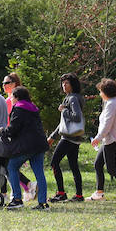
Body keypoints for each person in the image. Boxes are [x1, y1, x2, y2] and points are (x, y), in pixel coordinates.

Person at [0, 85, 48, 210]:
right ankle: (43, 203)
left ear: (17, 97)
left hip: (27, 146)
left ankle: (17, 199)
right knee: (39, 173)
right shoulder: (33, 108)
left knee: (11, 167)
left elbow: (13, 129)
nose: (11, 99)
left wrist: (2, 131)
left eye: (12, 97)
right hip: (39, 144)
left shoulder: (19, 108)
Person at [48, 73, 84, 202]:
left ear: (73, 84)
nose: (64, 85)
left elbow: (77, 116)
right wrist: (53, 136)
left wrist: (64, 110)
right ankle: (79, 195)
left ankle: (61, 193)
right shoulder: (73, 97)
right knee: (74, 166)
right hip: (75, 137)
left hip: (69, 138)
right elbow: (64, 122)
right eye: (63, 83)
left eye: (67, 83)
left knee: (54, 163)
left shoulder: (72, 98)